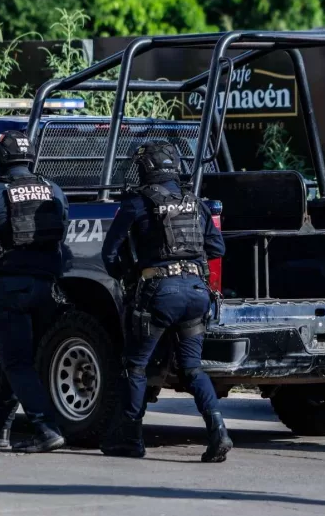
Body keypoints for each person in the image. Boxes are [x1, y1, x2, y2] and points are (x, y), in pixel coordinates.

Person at [99, 140, 231, 463]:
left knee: (136, 366)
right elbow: (218, 249)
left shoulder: (137, 203)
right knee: (192, 369)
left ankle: (131, 439)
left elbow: (109, 253)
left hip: (159, 294)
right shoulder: (193, 202)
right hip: (197, 295)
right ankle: (219, 432)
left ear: (147, 169)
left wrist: (131, 275)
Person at [0, 130, 69, 453]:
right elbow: (62, 226)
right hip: (47, 291)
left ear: (1, 161)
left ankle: (46, 428)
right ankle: (1, 428)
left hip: (10, 291)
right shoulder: (54, 190)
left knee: (17, 362)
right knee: (18, 359)